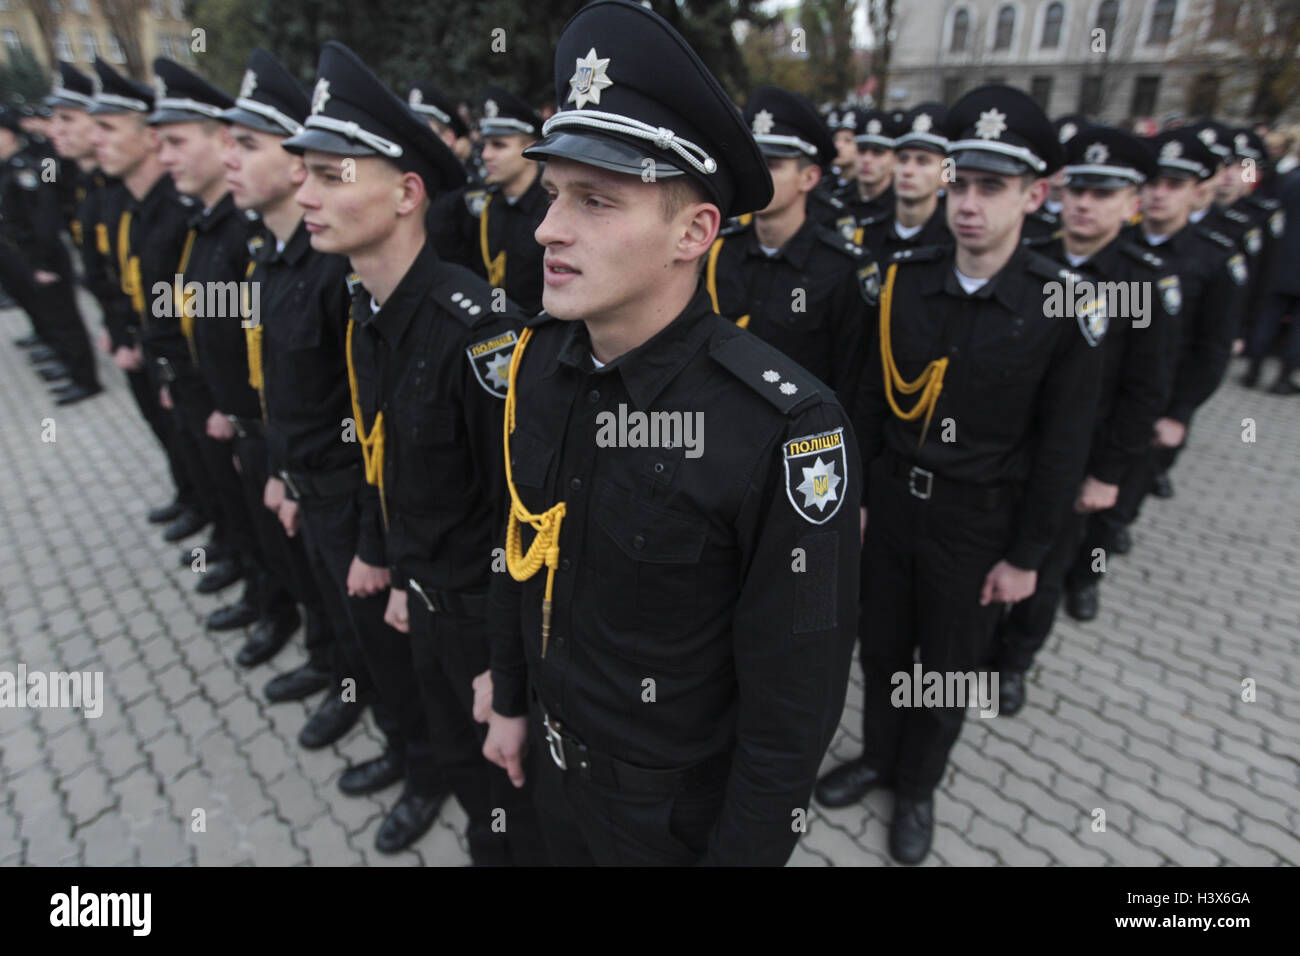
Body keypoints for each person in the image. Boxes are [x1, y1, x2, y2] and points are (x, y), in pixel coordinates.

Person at [482, 0, 861, 866]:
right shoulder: (540, 362)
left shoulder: (787, 428)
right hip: (549, 766)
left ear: (694, 232)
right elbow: (516, 545)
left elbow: (792, 710)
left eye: (596, 200)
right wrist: (508, 698)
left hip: (668, 821)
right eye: (551, 196)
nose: (548, 228)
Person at [816, 84, 1104, 864]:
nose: (969, 204)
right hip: (895, 514)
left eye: (993, 188)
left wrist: (1027, 560)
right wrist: (863, 502)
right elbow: (871, 407)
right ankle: (878, 755)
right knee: (880, 650)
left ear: (1035, 195)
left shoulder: (1062, 306)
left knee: (946, 670)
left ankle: (916, 786)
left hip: (980, 525)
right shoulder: (903, 280)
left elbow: (1062, 449)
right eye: (961, 184)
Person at [283, 41, 550, 860]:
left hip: (483, 622)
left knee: (514, 801)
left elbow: (521, 525)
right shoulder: (365, 310)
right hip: (427, 604)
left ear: (406, 195)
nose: (304, 191)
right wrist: (402, 571)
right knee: (467, 784)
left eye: (332, 175)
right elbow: (381, 457)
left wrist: (509, 680)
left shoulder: (479, 335)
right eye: (304, 172)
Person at [995, 126, 1179, 713]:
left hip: (1077, 455)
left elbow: (1143, 392)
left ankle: (1013, 662)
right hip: (1008, 449)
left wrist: (1107, 473)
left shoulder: (1140, 281)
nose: (1083, 204)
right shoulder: (1030, 257)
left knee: (1045, 567)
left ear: (1130, 205)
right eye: (1077, 190)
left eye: (1103, 195)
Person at [1071, 125, 1248, 588]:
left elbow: (1211, 347)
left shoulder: (1213, 257)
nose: (1159, 195)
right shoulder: (1118, 257)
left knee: (1117, 505)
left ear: (1197, 192)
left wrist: (1180, 411)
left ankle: (1087, 579)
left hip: (1155, 404)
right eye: (1153, 184)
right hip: (1106, 399)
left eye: (1174, 186)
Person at [704, 85, 871, 402]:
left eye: (772, 164)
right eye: (753, 161)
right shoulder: (720, 251)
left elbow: (853, 383)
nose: (757, 174)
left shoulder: (841, 268)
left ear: (808, 178)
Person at [0, 106, 102, 404]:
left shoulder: (27, 168)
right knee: (49, 314)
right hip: (24, 256)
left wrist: (41, 263)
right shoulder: (11, 168)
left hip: (45, 257)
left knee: (63, 317)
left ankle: (84, 377)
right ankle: (68, 365)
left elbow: (43, 221)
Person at [437, 86, 547, 314]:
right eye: (486, 144)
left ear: (530, 148)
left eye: (499, 145)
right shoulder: (483, 205)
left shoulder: (551, 207)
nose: (486, 154)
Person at [857, 102, 953, 262]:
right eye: (903, 159)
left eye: (923, 162)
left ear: (946, 174)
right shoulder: (866, 234)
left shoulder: (952, 242)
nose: (908, 171)